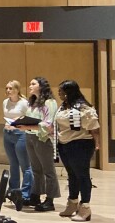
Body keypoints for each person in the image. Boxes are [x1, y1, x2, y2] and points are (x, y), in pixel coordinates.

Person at [54, 80, 100, 221]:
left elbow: (94, 128)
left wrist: (97, 144)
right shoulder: (63, 106)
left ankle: (85, 207)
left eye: (61, 91)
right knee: (72, 175)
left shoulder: (83, 108)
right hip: (65, 143)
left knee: (82, 175)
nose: (59, 93)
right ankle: (72, 203)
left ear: (69, 92)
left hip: (80, 144)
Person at [18, 77, 59, 210]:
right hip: (30, 136)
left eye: (33, 84)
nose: (30, 86)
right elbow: (31, 119)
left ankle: (50, 200)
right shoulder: (33, 102)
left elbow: (48, 124)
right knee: (36, 169)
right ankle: (35, 196)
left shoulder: (49, 102)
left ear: (41, 86)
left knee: (48, 170)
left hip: (42, 138)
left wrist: (29, 127)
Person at [0, 80, 33, 203]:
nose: (8, 90)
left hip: (20, 134)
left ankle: (25, 193)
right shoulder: (5, 102)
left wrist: (18, 121)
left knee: (25, 165)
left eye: (11, 88)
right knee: (13, 163)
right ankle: (13, 191)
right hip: (7, 133)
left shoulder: (24, 103)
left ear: (17, 90)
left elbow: (29, 118)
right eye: (7, 88)